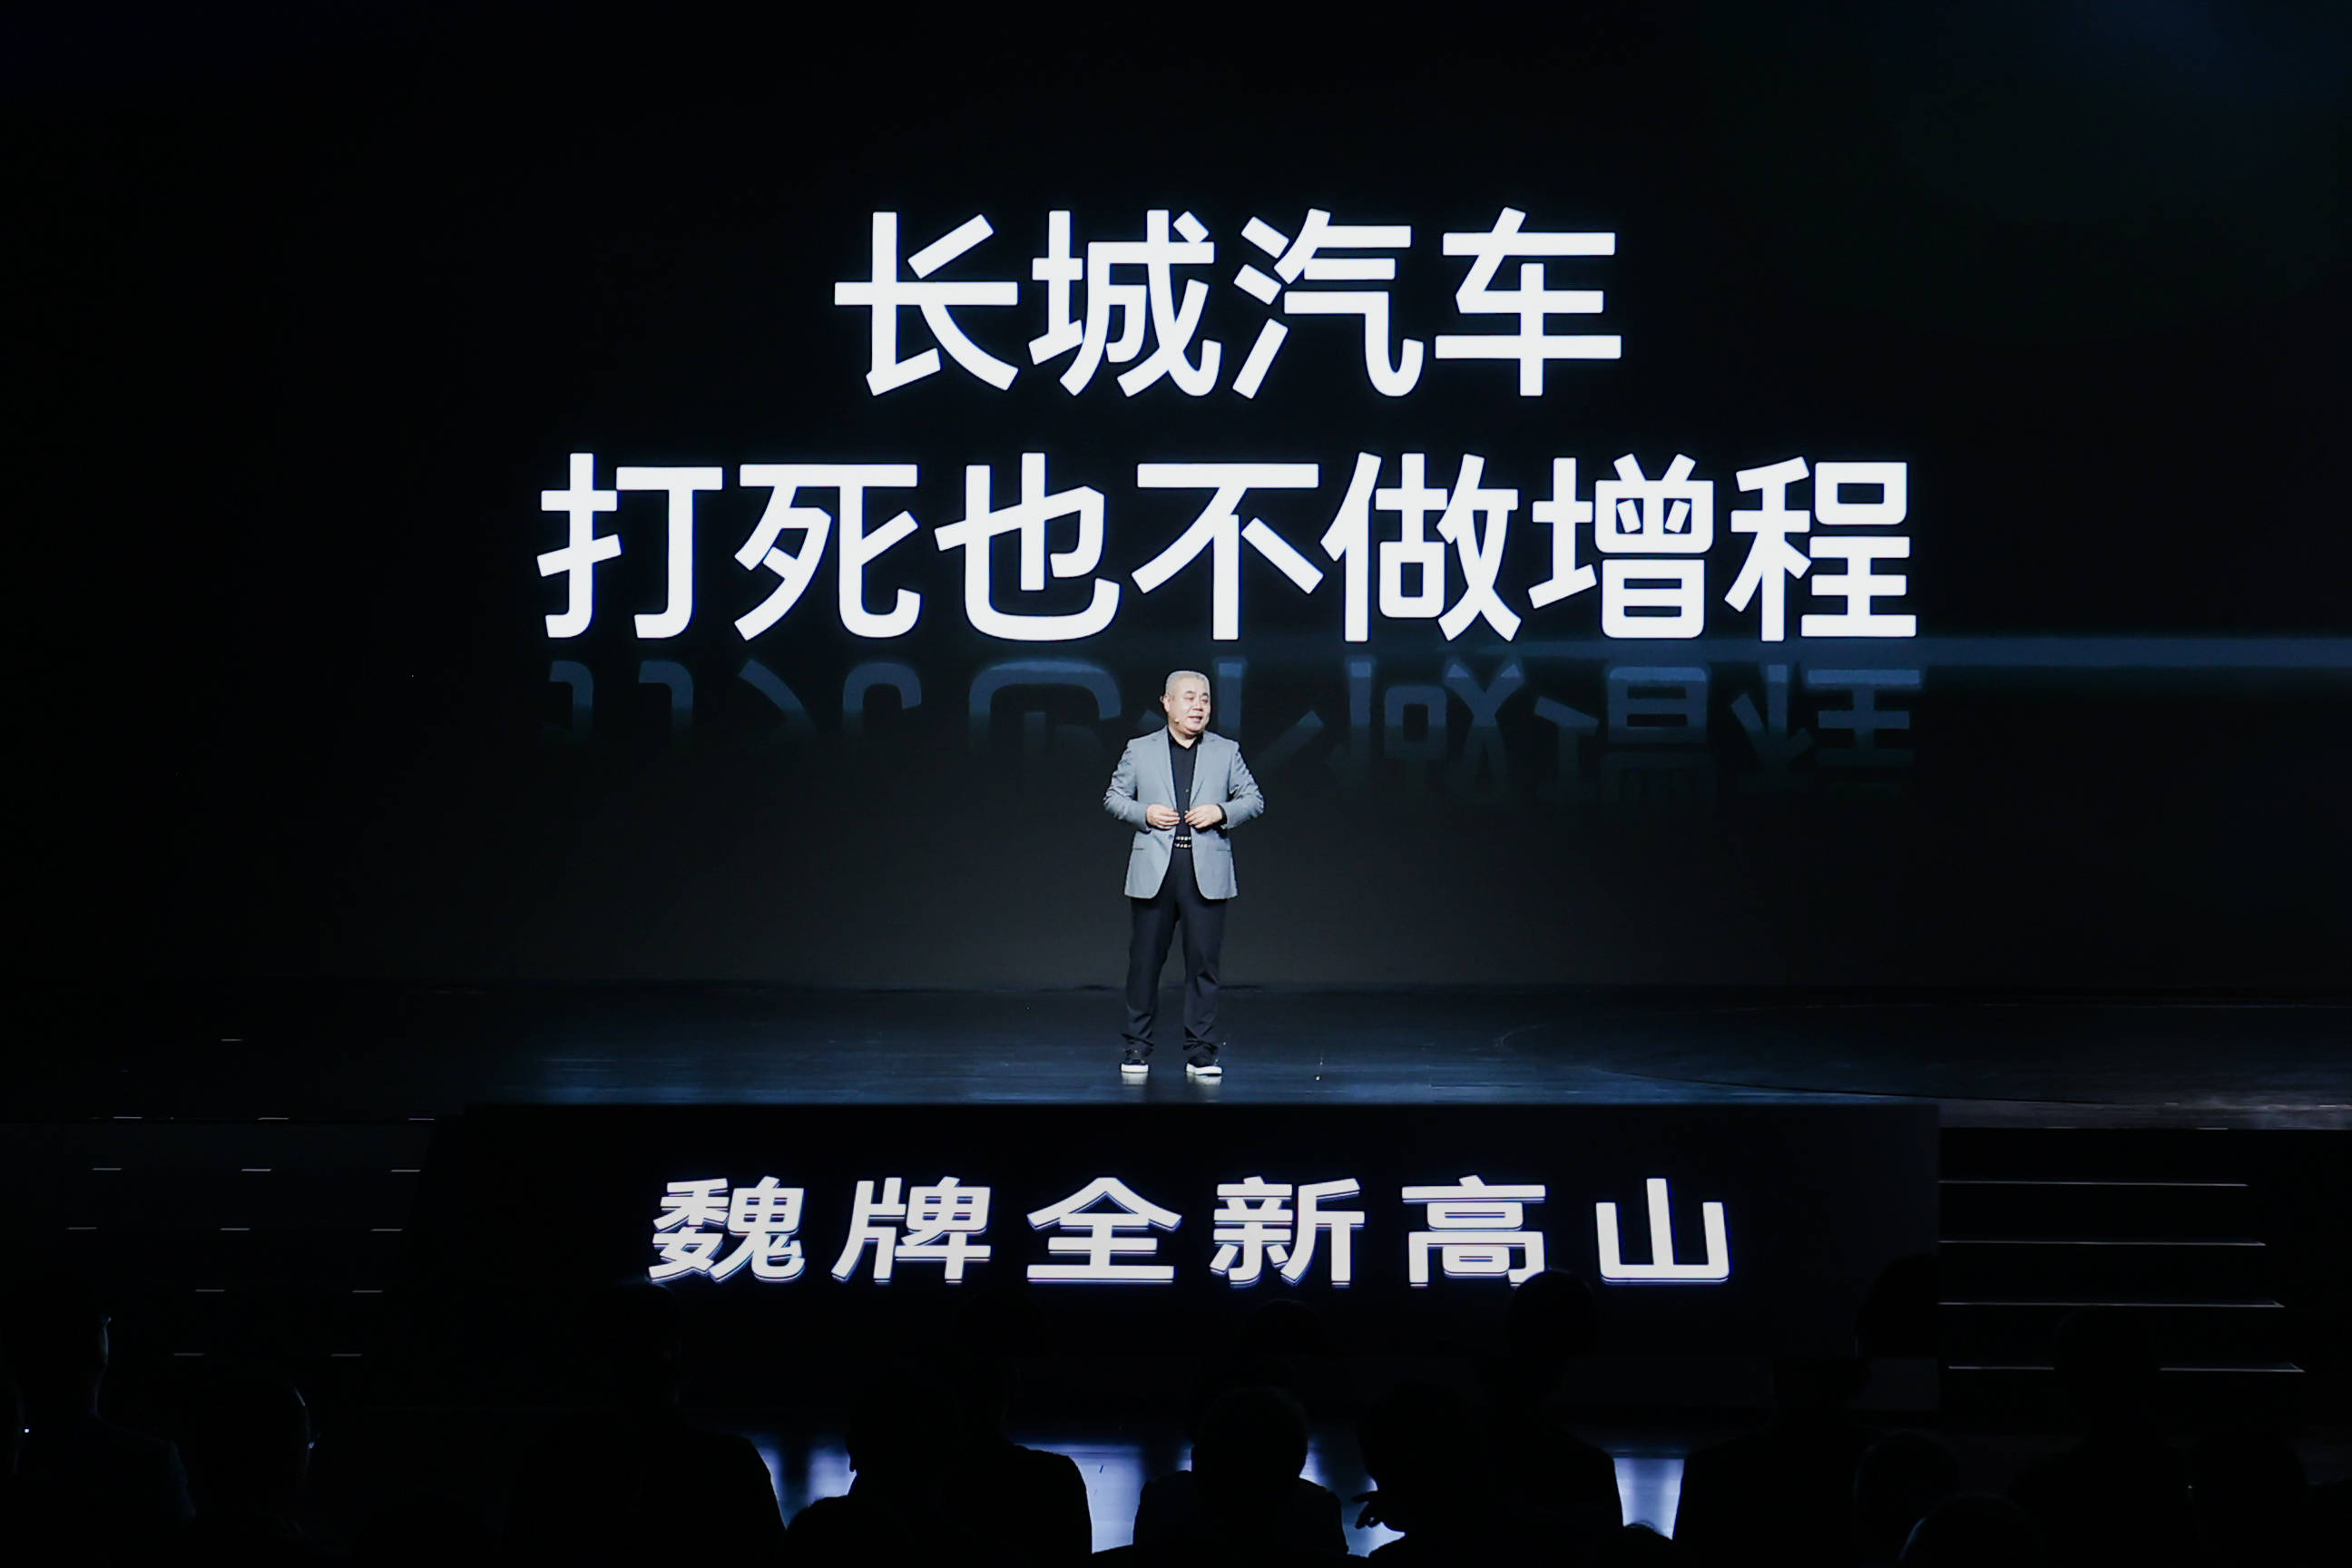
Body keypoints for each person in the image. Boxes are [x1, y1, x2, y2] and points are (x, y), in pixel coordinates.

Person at [1103, 669, 1264, 1078]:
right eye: (1189, 698)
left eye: (1205, 699)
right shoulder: (1140, 750)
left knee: (1203, 966)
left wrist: (1221, 811)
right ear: (1167, 703)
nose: (1199, 706)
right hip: (1156, 870)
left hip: (1205, 871)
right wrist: (1144, 813)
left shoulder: (1226, 751)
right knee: (1144, 963)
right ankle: (1137, 1047)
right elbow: (1114, 797)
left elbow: (1253, 799)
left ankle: (1201, 1052)